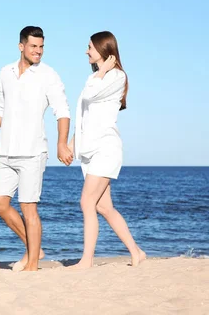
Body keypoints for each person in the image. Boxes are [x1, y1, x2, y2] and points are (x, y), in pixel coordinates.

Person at [0, 26, 72, 272]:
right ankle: (34, 248)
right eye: (34, 46)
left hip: (33, 152)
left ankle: (32, 265)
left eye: (41, 47)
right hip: (7, 151)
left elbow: (63, 111)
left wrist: (61, 143)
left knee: (28, 208)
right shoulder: (5, 72)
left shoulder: (48, 75)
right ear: (21, 46)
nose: (38, 51)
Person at [69, 31, 146, 268]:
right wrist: (72, 144)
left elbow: (91, 93)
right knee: (103, 206)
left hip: (105, 148)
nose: (86, 51)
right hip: (91, 150)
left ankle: (87, 260)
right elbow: (84, 115)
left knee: (86, 202)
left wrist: (101, 72)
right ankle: (136, 252)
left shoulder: (116, 77)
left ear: (103, 50)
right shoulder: (98, 77)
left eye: (90, 47)